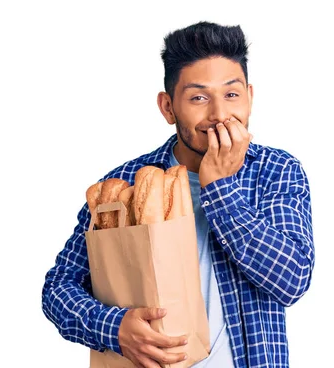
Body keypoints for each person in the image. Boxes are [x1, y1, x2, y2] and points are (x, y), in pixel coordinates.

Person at [41, 21, 315, 368]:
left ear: (250, 97)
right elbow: (58, 288)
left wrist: (219, 188)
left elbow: (291, 280)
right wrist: (115, 328)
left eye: (231, 94)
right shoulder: (123, 183)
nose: (219, 114)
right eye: (199, 97)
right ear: (168, 107)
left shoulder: (276, 170)